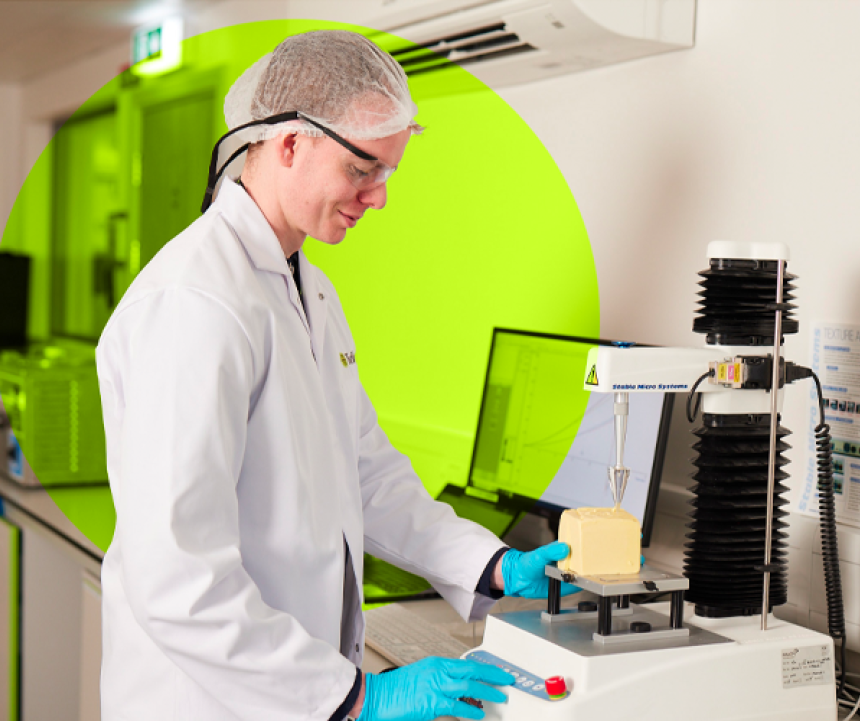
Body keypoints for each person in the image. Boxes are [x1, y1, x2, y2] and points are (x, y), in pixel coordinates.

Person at [96, 30, 575, 721]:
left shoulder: (309, 289)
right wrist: (355, 695)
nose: (378, 197)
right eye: (362, 171)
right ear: (291, 143)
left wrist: (487, 564)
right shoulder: (195, 303)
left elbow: (365, 471)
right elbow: (177, 578)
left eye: (386, 174)